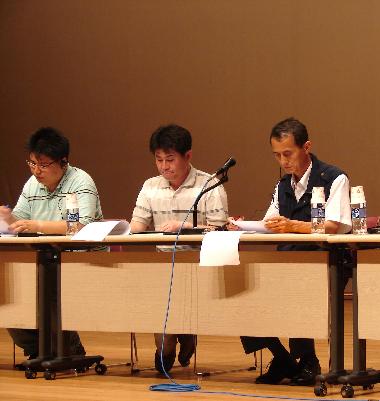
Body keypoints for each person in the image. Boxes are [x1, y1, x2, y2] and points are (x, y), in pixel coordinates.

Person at [238, 117, 352, 386]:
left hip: (327, 261)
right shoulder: (282, 186)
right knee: (244, 292)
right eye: (277, 155)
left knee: (297, 288)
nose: (283, 161)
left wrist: (292, 226)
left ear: (306, 147)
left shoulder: (334, 178)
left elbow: (334, 226)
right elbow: (270, 224)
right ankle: (283, 359)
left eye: (288, 154)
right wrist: (243, 225)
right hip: (288, 259)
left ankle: (308, 361)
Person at [129, 124, 228, 374]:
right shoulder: (151, 186)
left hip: (200, 266)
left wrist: (185, 228)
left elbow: (221, 229)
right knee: (163, 347)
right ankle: (173, 343)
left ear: (188, 156)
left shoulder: (209, 184)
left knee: (178, 304)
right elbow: (137, 226)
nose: (164, 166)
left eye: (170, 159)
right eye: (159, 159)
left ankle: (185, 334)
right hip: (163, 265)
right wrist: (127, 228)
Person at [0, 127, 104, 363]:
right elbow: (20, 222)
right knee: (13, 295)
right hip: (45, 259)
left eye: (43, 165)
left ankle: (67, 349)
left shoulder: (80, 181)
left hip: (83, 260)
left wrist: (37, 225)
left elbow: (81, 225)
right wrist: (7, 219)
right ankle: (44, 349)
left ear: (63, 162)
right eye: (32, 163)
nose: (36, 171)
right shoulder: (32, 184)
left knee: (50, 291)